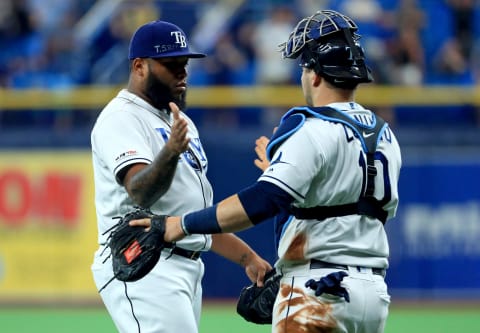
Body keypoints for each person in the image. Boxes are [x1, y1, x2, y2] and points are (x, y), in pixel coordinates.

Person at [132, 10, 402, 333]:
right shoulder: (385, 136)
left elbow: (261, 201)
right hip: (373, 296)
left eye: (304, 66)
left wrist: (181, 224)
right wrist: (284, 173)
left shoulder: (311, 129)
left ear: (314, 74)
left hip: (318, 291)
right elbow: (343, 205)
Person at [90, 20, 272, 333]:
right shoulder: (121, 118)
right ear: (139, 66)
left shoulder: (179, 120)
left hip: (185, 266)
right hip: (142, 264)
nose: (182, 74)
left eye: (184, 64)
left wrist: (247, 258)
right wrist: (171, 150)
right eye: (171, 65)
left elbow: (191, 217)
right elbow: (140, 192)